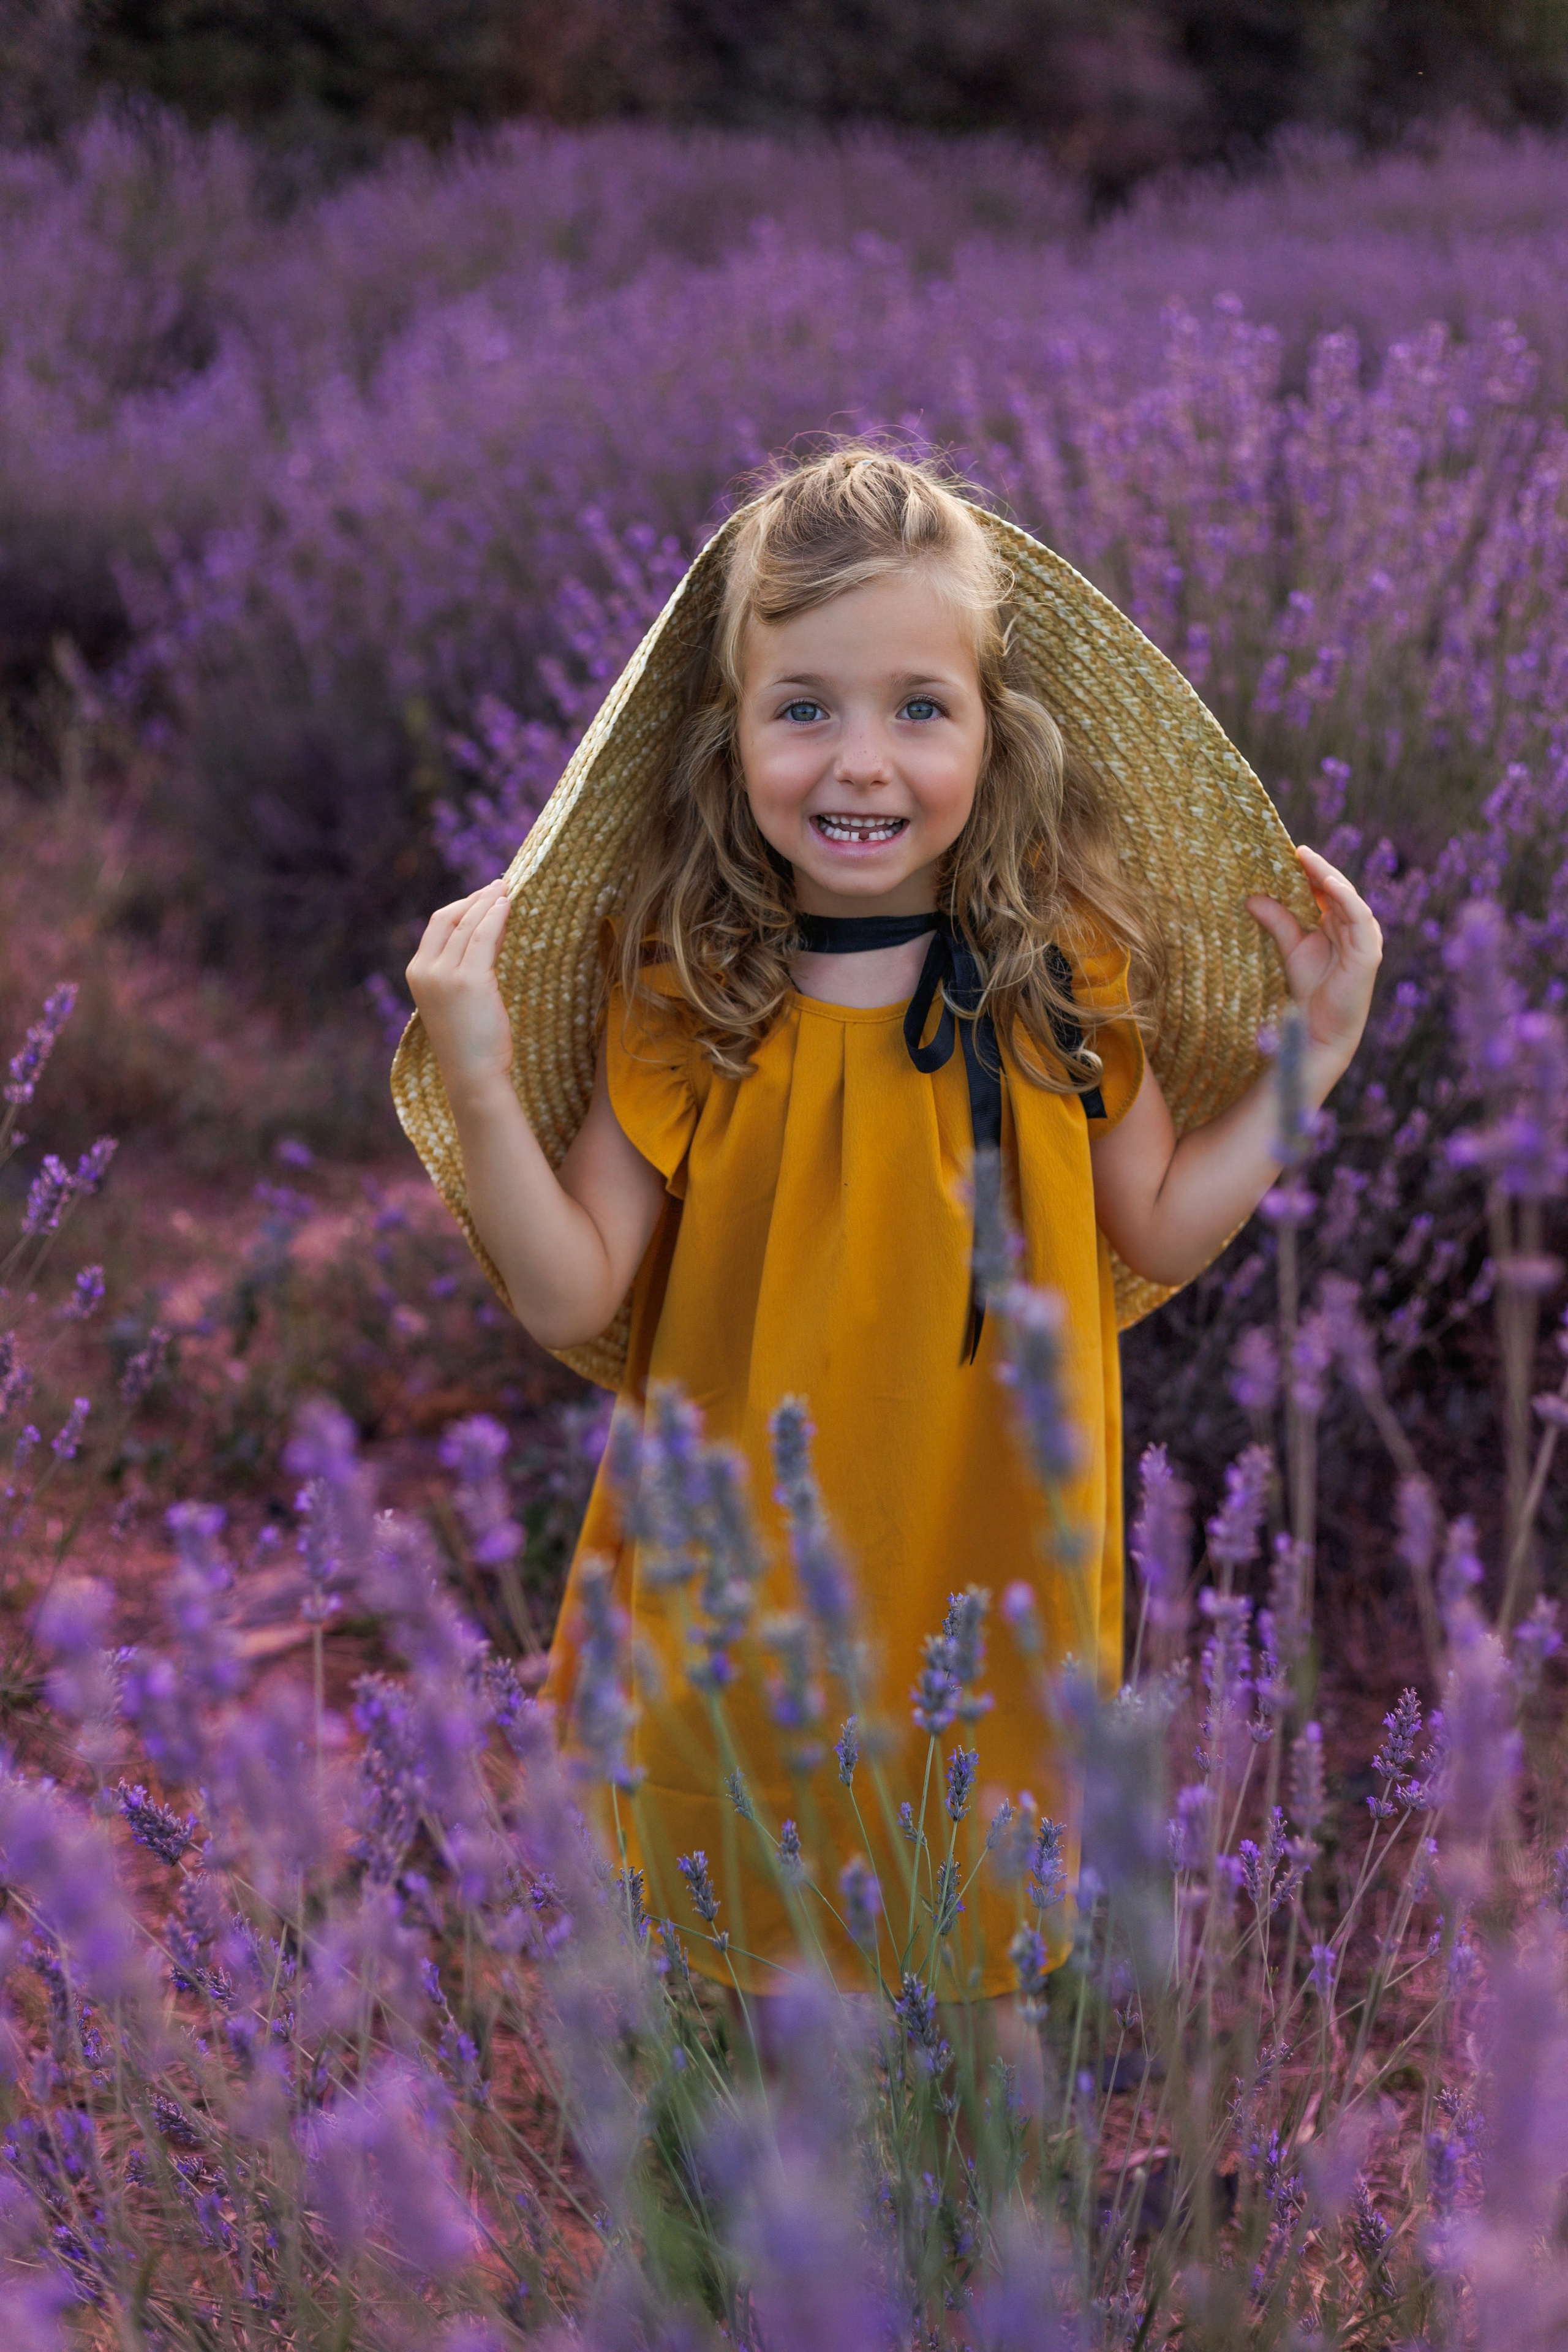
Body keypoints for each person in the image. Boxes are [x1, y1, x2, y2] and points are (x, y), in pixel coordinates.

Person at [395, 446, 1381, 2002]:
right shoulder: (689, 988)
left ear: (996, 734)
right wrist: (476, 1073)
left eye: (920, 708)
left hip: (988, 1539)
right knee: (732, 1943)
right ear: (730, 739)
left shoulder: (1056, 974)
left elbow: (1160, 1225)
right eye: (804, 710)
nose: (861, 763)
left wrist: (1304, 1063)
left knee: (973, 1952)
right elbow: (567, 1286)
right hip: (742, 1557)